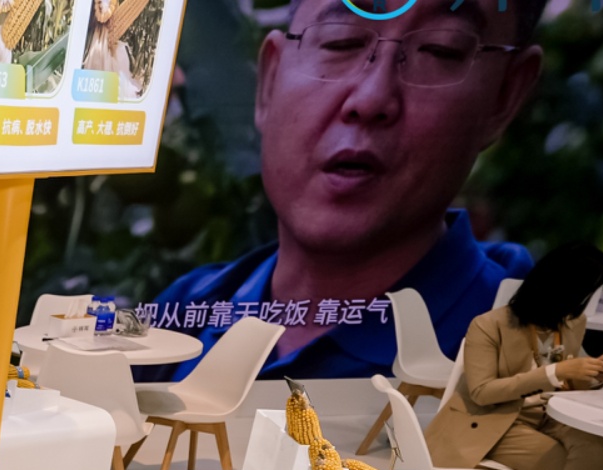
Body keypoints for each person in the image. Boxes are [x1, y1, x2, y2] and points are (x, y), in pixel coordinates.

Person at [144, 0, 545, 382]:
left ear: (505, 97)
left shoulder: (530, 367)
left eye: (439, 50)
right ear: (269, 81)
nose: (371, 98)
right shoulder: (177, 322)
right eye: (341, 40)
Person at [427, 243, 603, 470]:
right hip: (495, 421)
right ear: (562, 288)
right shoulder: (489, 325)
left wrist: (595, 375)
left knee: (601, 445)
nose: (587, 301)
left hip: (552, 413)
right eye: (586, 292)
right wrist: (555, 372)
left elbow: (568, 380)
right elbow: (482, 392)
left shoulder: (572, 321)